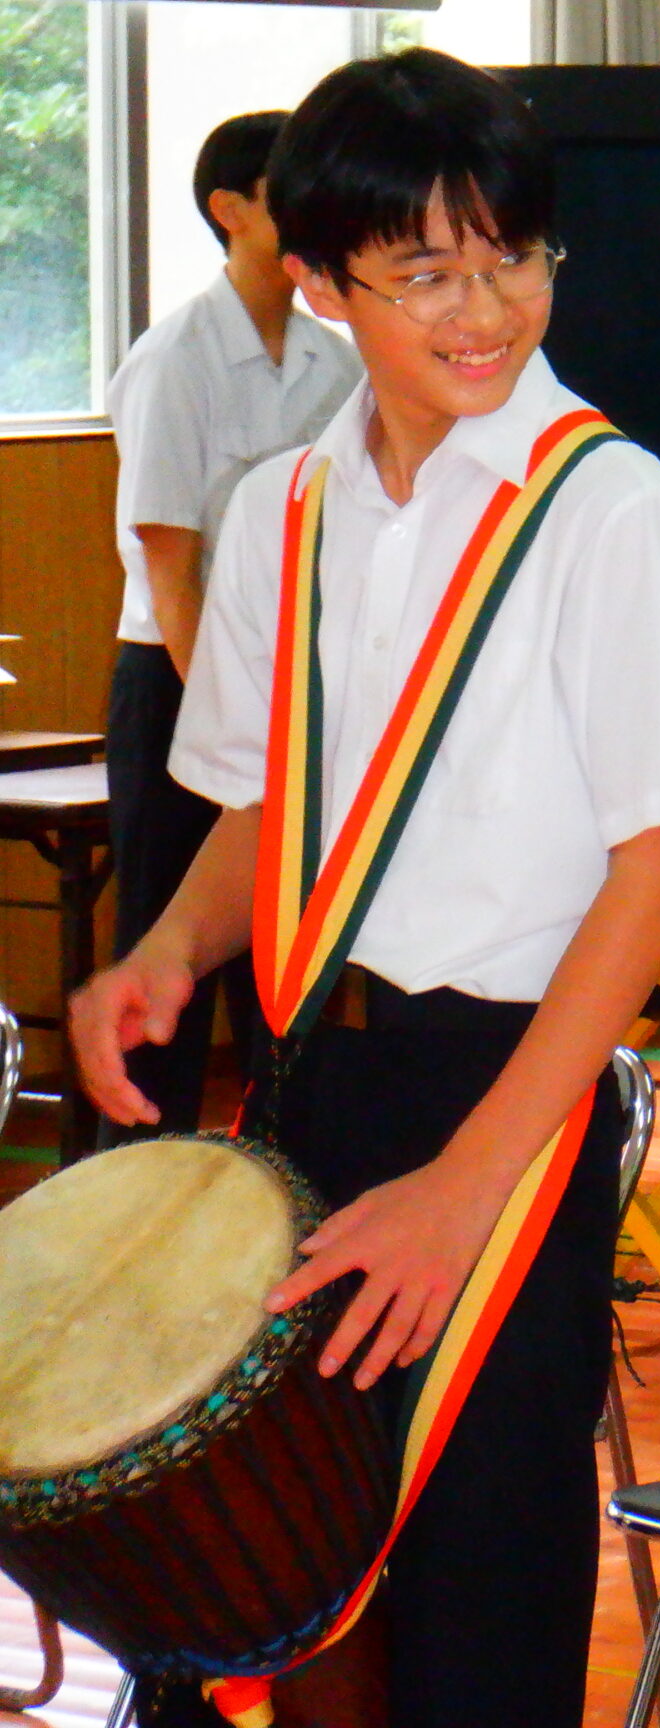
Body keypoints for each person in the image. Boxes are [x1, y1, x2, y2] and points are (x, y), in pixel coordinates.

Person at [67, 48, 660, 1728]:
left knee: (475, 1593)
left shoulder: (614, 517)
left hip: (506, 1099)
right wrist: (170, 950)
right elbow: (267, 807)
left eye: (512, 258)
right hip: (313, 1075)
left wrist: (466, 1184)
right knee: (283, 1584)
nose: (485, 310)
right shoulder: (284, 512)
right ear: (321, 281)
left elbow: (657, 873)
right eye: (425, 272)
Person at [86, 110, 362, 1160]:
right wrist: (227, 717)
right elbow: (169, 565)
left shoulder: (339, 359)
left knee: (281, 947)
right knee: (169, 943)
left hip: (297, 680)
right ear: (231, 211)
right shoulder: (177, 358)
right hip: (179, 678)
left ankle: (274, 1181)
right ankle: (130, 1193)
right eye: (291, 192)